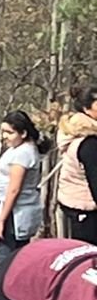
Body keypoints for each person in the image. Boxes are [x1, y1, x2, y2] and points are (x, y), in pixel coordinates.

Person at [0, 112, 45, 266]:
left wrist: (1, 220)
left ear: (23, 133)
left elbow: (14, 189)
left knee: (5, 258)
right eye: (3, 132)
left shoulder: (24, 153)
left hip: (12, 213)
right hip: (3, 206)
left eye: (10, 132)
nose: (4, 136)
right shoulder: (17, 149)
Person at [55, 86, 97, 242]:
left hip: (76, 206)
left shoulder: (77, 136)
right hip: (86, 209)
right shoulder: (88, 143)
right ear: (86, 109)